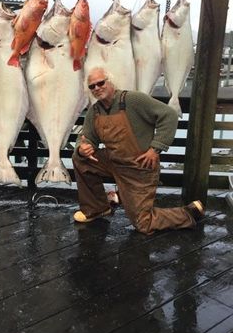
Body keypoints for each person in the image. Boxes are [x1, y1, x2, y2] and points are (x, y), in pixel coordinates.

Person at [72, 67, 205, 235]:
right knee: (80, 159)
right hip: (114, 161)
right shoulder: (95, 110)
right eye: (92, 86)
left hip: (139, 168)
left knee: (143, 224)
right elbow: (86, 137)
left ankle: (188, 213)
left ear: (111, 82)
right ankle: (97, 208)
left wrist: (155, 148)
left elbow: (169, 115)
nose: (97, 88)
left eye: (101, 83)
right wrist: (82, 148)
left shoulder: (133, 99)